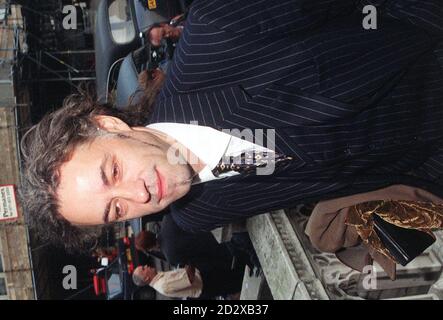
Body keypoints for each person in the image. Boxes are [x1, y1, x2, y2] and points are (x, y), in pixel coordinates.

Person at [20, 0, 443, 250]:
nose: (138, 194)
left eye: (112, 172)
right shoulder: (198, 213)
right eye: (116, 210)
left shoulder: (217, 30)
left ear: (111, 125)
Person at [132, 265, 203, 299]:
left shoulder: (158, 277)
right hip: (204, 284)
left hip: (200, 277)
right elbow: (190, 278)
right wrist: (190, 261)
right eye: (143, 269)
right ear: (146, 278)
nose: (146, 266)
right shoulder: (164, 285)